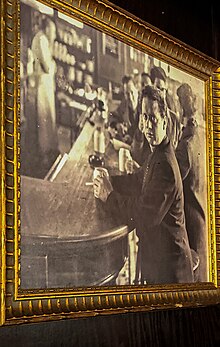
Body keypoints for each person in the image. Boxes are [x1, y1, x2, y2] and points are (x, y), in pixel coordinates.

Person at [94, 85, 194, 285]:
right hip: (159, 261)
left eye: (153, 118)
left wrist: (110, 195)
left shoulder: (165, 164)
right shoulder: (157, 152)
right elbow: (137, 180)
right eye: (144, 117)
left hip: (172, 272)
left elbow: (143, 214)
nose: (148, 125)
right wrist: (109, 181)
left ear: (164, 121)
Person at [175, 83, 208, 281]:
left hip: (191, 222)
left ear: (180, 108)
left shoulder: (187, 143)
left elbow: (172, 178)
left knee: (193, 279)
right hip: (203, 216)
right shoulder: (203, 135)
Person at [27, 16, 59, 178]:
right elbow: (47, 67)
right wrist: (53, 63)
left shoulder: (42, 39)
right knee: (44, 123)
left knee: (46, 122)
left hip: (44, 87)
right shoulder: (41, 40)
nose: (54, 34)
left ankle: (46, 159)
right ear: (47, 29)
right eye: (52, 31)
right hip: (40, 87)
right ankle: (44, 161)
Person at [150, 66, 181, 149]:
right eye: (157, 89)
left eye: (163, 90)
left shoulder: (174, 119)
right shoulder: (146, 117)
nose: (160, 94)